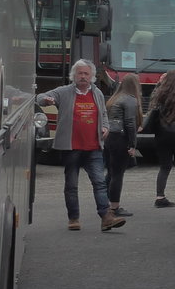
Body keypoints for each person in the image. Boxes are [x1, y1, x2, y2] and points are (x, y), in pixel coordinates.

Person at [36, 59, 127, 232]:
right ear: (74, 75)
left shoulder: (97, 93)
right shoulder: (63, 92)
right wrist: (46, 100)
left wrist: (106, 127)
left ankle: (106, 217)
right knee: (71, 185)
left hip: (93, 147)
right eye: (80, 73)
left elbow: (104, 115)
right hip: (71, 147)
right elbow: (39, 97)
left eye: (86, 73)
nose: (83, 77)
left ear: (92, 76)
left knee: (100, 182)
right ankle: (73, 218)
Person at [144, 69, 175, 208]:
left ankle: (160, 197)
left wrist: (159, 84)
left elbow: (152, 106)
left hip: (162, 134)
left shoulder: (161, 94)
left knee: (164, 166)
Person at [104, 73, 142, 218]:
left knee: (111, 172)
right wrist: (132, 145)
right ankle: (114, 207)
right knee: (118, 174)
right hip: (121, 138)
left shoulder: (114, 99)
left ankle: (104, 202)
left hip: (109, 138)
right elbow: (130, 124)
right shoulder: (130, 100)